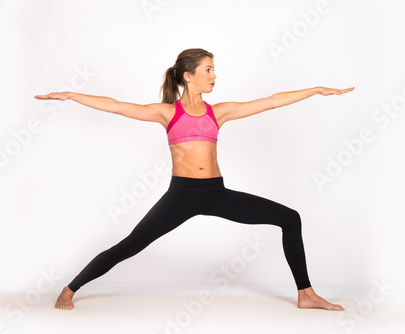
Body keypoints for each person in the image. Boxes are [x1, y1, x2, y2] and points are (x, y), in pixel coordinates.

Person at [35, 48, 354, 311]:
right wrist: (71, 95)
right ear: (188, 76)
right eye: (208, 70)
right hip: (181, 196)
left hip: (216, 193)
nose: (214, 76)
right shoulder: (166, 112)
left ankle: (306, 293)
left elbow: (270, 101)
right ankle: (70, 288)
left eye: (214, 70)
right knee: (130, 245)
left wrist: (314, 90)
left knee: (290, 218)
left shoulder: (220, 112)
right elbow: (117, 106)